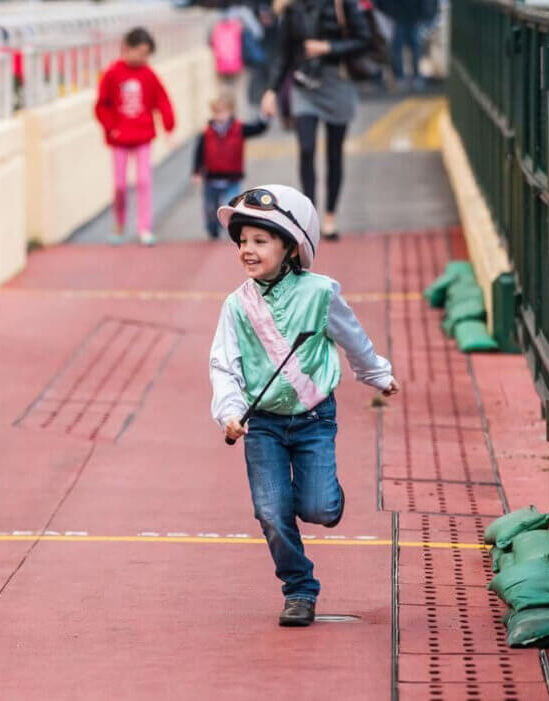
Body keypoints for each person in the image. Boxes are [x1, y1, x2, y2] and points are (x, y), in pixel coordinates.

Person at [209, 184, 398, 626]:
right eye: (242, 242)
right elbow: (223, 364)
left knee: (318, 509)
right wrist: (229, 412)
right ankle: (299, 590)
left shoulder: (321, 293)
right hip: (264, 426)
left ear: (291, 246)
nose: (248, 250)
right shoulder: (236, 307)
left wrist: (378, 375)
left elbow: (353, 339)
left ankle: (322, 495)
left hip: (314, 419)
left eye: (260, 241)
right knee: (272, 513)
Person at [259, 0, 371, 241]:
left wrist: (327, 47)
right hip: (304, 85)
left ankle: (330, 215)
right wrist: (271, 90)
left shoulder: (344, 4)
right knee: (306, 148)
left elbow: (364, 39)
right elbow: (283, 54)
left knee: (334, 152)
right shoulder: (291, 9)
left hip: (337, 83)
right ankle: (309, 216)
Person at [95, 27, 176, 247]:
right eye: (140, 52)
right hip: (120, 137)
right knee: (120, 185)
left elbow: (162, 99)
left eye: (147, 54)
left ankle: (144, 227)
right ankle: (120, 223)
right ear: (126, 48)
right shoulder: (112, 74)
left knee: (143, 181)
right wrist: (111, 127)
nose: (143, 58)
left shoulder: (148, 74)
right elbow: (102, 105)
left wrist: (168, 124)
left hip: (142, 135)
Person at [191, 93, 270, 240]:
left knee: (231, 204)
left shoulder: (239, 129)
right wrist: (196, 172)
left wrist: (265, 116)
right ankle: (212, 227)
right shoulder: (206, 133)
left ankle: (231, 227)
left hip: (232, 177)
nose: (219, 116)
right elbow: (199, 153)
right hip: (211, 178)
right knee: (210, 207)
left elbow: (258, 128)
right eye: (216, 112)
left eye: (223, 112)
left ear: (231, 112)